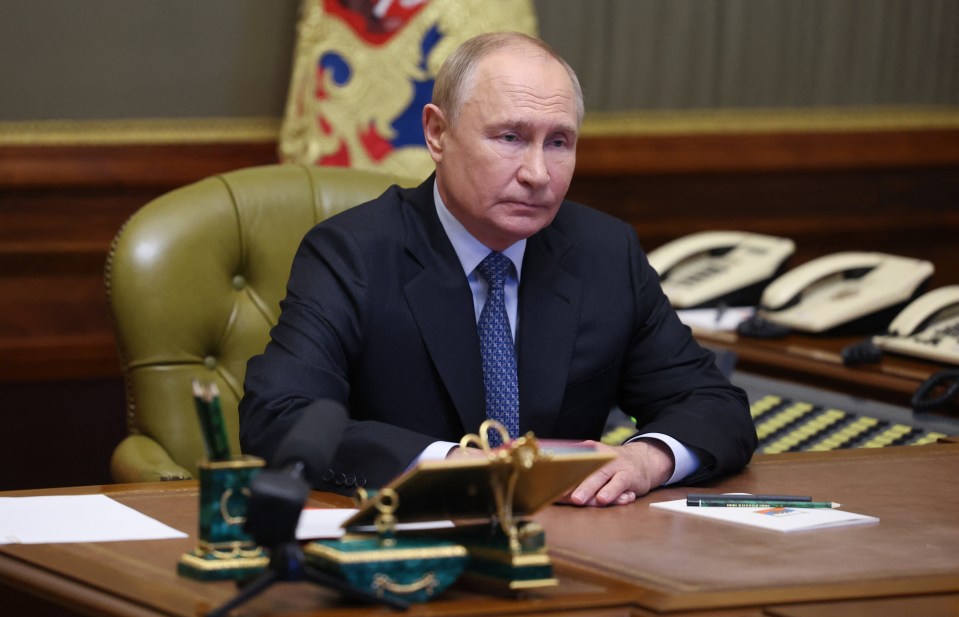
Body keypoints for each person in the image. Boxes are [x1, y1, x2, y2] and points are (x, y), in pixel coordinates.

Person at [240, 31, 757, 506]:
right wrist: (450, 465)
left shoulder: (605, 251)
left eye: (558, 142)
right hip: (404, 539)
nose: (537, 173)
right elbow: (281, 415)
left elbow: (714, 404)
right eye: (509, 137)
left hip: (573, 547)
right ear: (437, 133)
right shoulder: (352, 253)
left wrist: (647, 459)